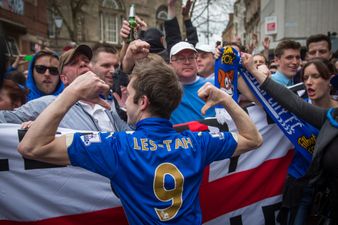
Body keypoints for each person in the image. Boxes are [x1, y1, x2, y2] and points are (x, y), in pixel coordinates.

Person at [18, 55, 263, 225]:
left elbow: (31, 146)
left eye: (130, 96)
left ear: (143, 102)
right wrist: (226, 99)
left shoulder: (117, 146)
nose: (125, 101)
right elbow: (253, 139)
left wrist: (71, 92)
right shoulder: (197, 142)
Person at [242, 53, 338, 225]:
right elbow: (289, 101)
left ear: (329, 79)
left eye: (315, 76)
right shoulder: (330, 117)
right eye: (306, 77)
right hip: (304, 190)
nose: (309, 82)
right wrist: (247, 69)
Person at [0, 44, 128, 132]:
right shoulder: (47, 104)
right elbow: (5, 119)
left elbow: (132, 137)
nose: (83, 63)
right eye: (74, 63)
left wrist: (130, 113)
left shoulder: (107, 107)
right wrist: (39, 129)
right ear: (64, 79)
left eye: (86, 60)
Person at [169, 41, 216, 124]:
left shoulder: (212, 84)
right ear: (171, 64)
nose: (187, 62)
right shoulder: (164, 89)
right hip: (179, 136)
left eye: (191, 57)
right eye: (181, 58)